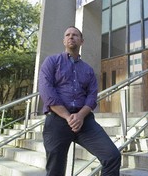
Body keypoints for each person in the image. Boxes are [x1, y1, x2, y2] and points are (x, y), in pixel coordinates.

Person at [38, 26, 121, 176]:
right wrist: (68, 117)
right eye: (68, 35)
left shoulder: (88, 70)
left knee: (112, 156)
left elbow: (92, 96)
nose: (71, 37)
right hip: (57, 120)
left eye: (75, 35)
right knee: (55, 170)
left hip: (85, 121)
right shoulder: (51, 62)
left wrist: (80, 116)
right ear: (64, 40)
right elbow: (46, 91)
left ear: (81, 41)